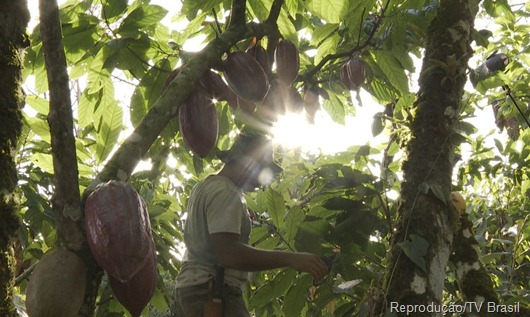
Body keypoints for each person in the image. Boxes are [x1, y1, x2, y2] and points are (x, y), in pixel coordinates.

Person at [173, 133, 329, 317]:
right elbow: (228, 254)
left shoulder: (204, 186)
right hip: (212, 292)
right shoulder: (225, 191)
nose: (262, 182)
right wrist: (291, 259)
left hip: (189, 290)